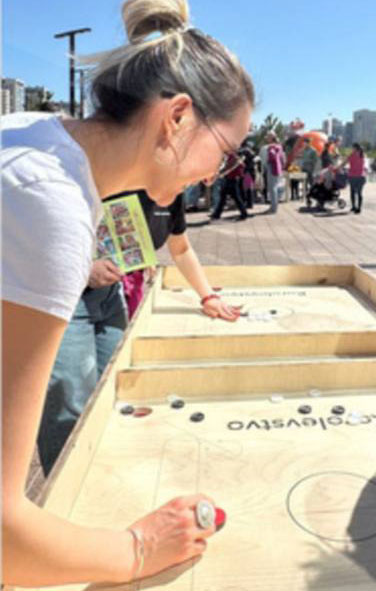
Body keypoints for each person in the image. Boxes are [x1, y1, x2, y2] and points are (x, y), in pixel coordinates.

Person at [2, 0, 254, 585]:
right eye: (225, 151)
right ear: (177, 117)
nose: (215, 175)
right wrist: (139, 549)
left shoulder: (34, 137)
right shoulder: (50, 203)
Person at [38, 190, 242, 476]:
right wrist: (85, 268)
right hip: (66, 300)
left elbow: (181, 248)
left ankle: (102, 475)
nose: (205, 181)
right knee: (70, 407)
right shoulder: (110, 181)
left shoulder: (174, 195)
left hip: (109, 296)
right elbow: (37, 236)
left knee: (114, 391)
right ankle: (62, 489)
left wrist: (208, 296)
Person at [210, 152, 249, 221]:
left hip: (232, 179)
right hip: (230, 179)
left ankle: (244, 213)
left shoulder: (233, 157)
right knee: (225, 197)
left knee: (234, 198)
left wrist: (220, 174)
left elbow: (228, 167)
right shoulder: (233, 157)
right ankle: (217, 214)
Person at [339, 142, 366, 214]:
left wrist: (338, 168)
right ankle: (359, 208)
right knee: (360, 193)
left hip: (353, 176)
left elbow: (344, 163)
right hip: (361, 176)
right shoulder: (362, 155)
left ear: (355, 148)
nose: (352, 149)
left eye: (352, 148)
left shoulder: (352, 155)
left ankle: (354, 206)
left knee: (352, 192)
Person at [265, 132, 286, 214]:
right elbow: (282, 158)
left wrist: (268, 160)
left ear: (271, 138)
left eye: (268, 137)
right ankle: (274, 206)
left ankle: (273, 208)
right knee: (275, 187)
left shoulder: (271, 147)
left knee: (272, 188)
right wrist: (282, 167)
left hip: (272, 168)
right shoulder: (279, 146)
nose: (267, 138)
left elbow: (272, 156)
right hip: (278, 168)